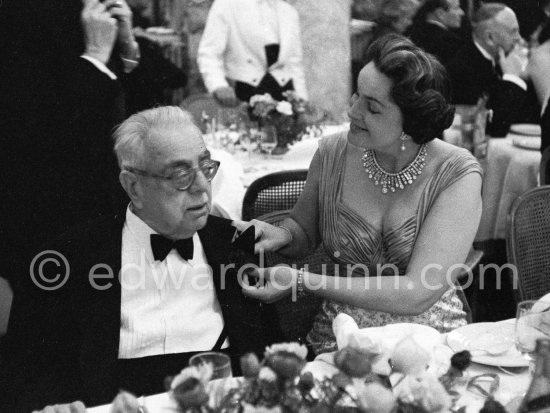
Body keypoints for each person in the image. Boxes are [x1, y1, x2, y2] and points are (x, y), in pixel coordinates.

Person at [0, 107, 279, 412]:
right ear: (133, 186)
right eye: (180, 174)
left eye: (205, 166)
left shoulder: (235, 246)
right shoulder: (65, 261)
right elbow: (24, 375)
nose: (202, 186)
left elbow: (270, 357)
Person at [236, 34, 483, 355]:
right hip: (338, 339)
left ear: (412, 118)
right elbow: (302, 231)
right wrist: (280, 235)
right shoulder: (333, 152)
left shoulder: (456, 172)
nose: (352, 111)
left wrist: (302, 280)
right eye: (356, 96)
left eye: (372, 107)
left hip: (428, 342)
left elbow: (416, 293)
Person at [197, 0, 308, 106]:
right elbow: (209, 53)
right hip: (243, 93)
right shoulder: (227, 5)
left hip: (284, 94)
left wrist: (302, 101)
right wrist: (218, 85)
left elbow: (294, 64)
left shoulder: (289, 11)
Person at [445, 2, 528, 137]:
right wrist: (512, 79)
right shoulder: (462, 70)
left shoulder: (498, 59)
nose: (519, 38)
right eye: (513, 32)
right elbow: (494, 128)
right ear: (490, 38)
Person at [409, 0, 466, 65]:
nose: (462, 13)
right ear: (440, 13)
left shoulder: (411, 32)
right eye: (456, 8)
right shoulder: (451, 41)